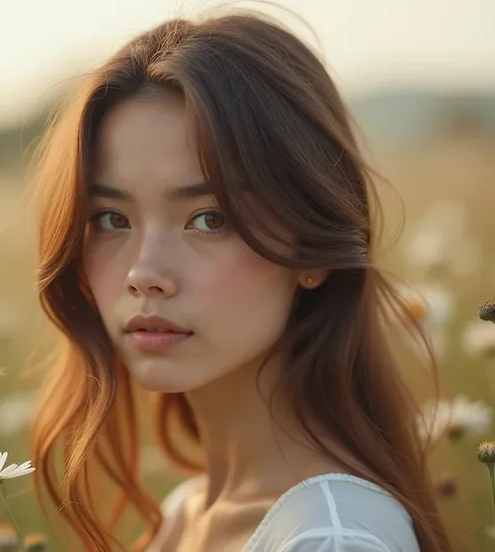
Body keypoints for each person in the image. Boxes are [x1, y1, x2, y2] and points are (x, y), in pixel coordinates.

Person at [28, 7, 452, 552]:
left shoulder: (331, 539)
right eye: (112, 218)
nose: (144, 274)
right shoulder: (186, 514)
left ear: (310, 250)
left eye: (210, 218)